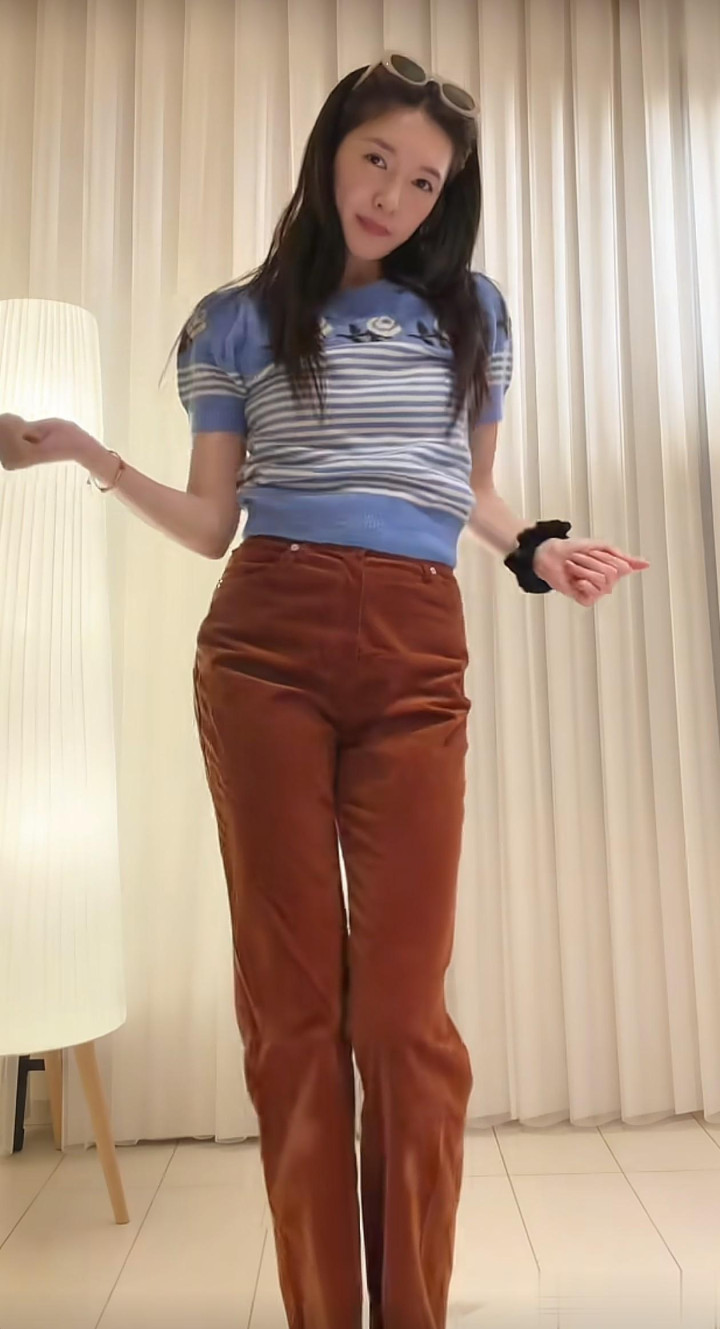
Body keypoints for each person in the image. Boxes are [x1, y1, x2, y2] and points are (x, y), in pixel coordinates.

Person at [1, 52, 649, 1329]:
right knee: (292, 1015)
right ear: (331, 153)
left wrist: (537, 549)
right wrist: (88, 453)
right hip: (266, 647)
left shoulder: (471, 313)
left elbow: (469, 487)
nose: (393, 197)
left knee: (402, 1019)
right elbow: (210, 525)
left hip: (416, 647)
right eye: (377, 161)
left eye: (425, 182)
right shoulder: (237, 320)